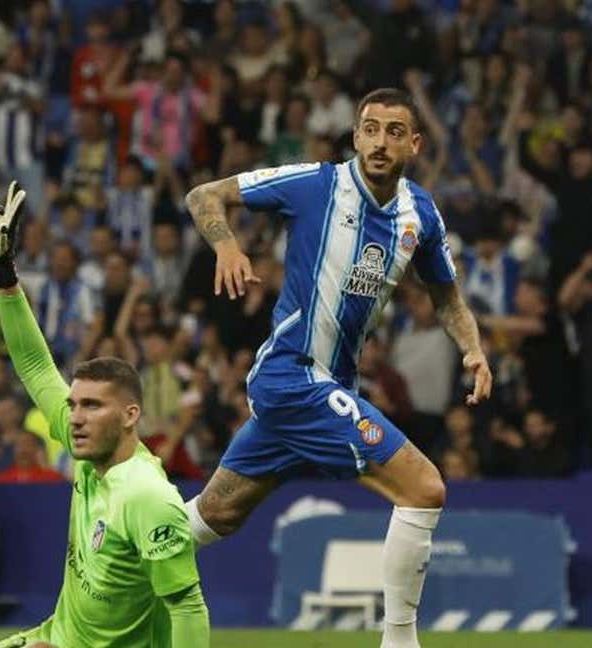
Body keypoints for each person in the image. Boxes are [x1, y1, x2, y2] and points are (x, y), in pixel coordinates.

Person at [182, 87, 493, 648]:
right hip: (293, 375)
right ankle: (400, 643)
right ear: (355, 136)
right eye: (370, 128)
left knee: (213, 516)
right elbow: (204, 195)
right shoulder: (315, 184)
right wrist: (226, 246)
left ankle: (109, 564)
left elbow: (447, 298)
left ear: (415, 144)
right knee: (423, 489)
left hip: (329, 386)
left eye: (394, 131)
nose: (379, 142)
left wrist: (472, 348)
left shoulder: (419, 213)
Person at [0, 182, 210, 648]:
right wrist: (6, 283)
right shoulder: (88, 449)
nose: (75, 417)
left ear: (130, 415)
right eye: (74, 405)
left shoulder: (147, 495)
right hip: (55, 638)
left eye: (91, 405)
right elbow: (34, 366)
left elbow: (188, 608)